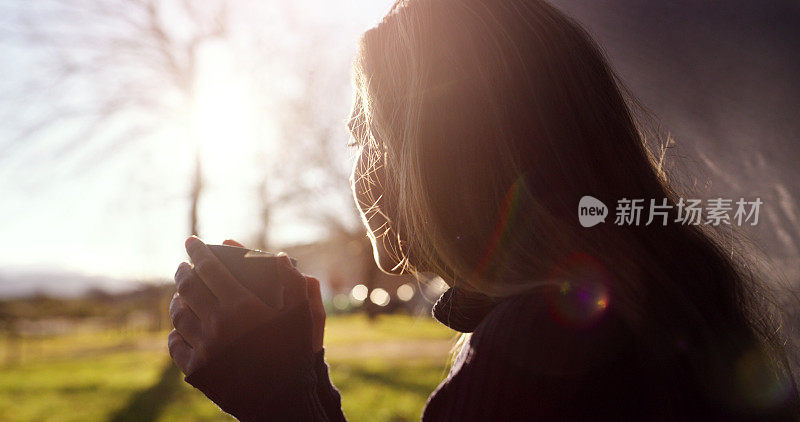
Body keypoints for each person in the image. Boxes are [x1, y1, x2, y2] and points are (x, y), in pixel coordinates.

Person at [167, 0, 800, 420]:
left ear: (440, 151)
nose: (361, 170)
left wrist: (278, 399)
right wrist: (299, 388)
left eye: (367, 136)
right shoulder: (671, 293)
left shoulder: (538, 345)